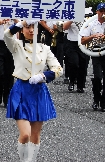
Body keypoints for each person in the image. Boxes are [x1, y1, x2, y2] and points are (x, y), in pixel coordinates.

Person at [4, 19, 63, 162]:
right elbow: (7, 35)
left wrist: (43, 76)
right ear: (22, 30)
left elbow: (58, 68)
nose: (31, 30)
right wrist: (19, 23)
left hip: (38, 91)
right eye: (27, 27)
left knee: (35, 136)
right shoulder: (17, 46)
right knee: (25, 135)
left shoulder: (45, 49)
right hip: (22, 90)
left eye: (33, 27)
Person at [0, 18, 14, 107]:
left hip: (11, 44)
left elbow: (21, 24)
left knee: (9, 73)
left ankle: (7, 96)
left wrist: (13, 18)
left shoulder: (15, 12)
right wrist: (0, 22)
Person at [63, 19, 90, 93]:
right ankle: (72, 80)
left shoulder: (87, 14)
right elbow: (64, 27)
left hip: (83, 42)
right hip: (72, 42)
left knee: (83, 64)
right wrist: (72, 19)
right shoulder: (70, 15)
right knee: (73, 63)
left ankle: (80, 86)